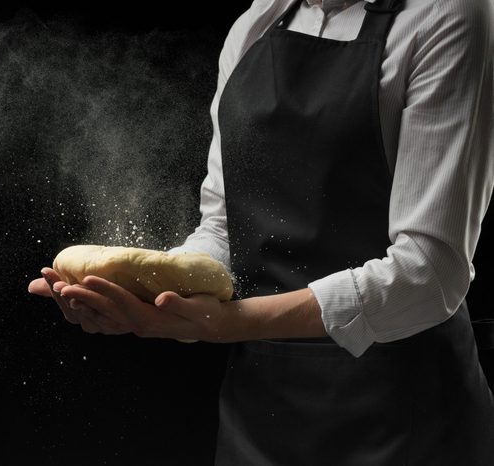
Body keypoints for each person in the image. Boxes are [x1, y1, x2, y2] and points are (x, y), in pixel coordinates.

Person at [29, 0, 494, 463]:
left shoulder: (448, 15)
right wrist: (153, 293)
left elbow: (432, 271)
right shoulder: (256, 25)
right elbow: (225, 228)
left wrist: (232, 323)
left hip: (402, 411)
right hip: (263, 407)